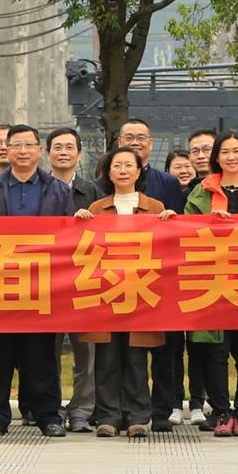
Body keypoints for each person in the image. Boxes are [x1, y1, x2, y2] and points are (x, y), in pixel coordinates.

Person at [0, 124, 74, 439]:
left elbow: (70, 237)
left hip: (42, 285)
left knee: (41, 355)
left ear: (39, 150)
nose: (22, 151)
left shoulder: (57, 190)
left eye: (28, 145)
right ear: (6, 150)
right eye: (16, 145)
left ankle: (48, 415)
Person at [72, 146, 174, 438]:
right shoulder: (97, 208)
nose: (123, 170)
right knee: (106, 358)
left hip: (141, 292)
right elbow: (83, 247)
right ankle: (108, 416)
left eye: (129, 165)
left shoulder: (154, 207)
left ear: (139, 171)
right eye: (117, 165)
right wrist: (79, 221)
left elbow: (167, 247)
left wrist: (172, 222)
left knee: (136, 358)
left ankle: (138, 416)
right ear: (108, 172)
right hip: (106, 293)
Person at [183, 131, 238, 437]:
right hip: (213, 280)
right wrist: (207, 221)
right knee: (216, 350)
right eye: (225, 152)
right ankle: (221, 411)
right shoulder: (201, 193)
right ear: (217, 158)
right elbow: (187, 231)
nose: (231, 157)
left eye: (237, 151)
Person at [118, 119, 189, 434]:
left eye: (141, 137)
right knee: (128, 351)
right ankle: (130, 409)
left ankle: (163, 409)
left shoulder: (168, 183)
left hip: (161, 277)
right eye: (128, 137)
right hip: (121, 278)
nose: (135, 142)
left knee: (165, 349)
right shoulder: (109, 179)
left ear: (150, 142)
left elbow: (180, 228)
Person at [46, 125, 100, 432]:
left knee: (86, 352)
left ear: (79, 154)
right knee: (46, 351)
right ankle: (50, 406)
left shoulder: (92, 192)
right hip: (48, 282)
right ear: (48, 154)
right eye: (57, 147)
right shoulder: (38, 188)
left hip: (85, 281)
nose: (63, 152)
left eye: (69, 147)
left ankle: (82, 409)